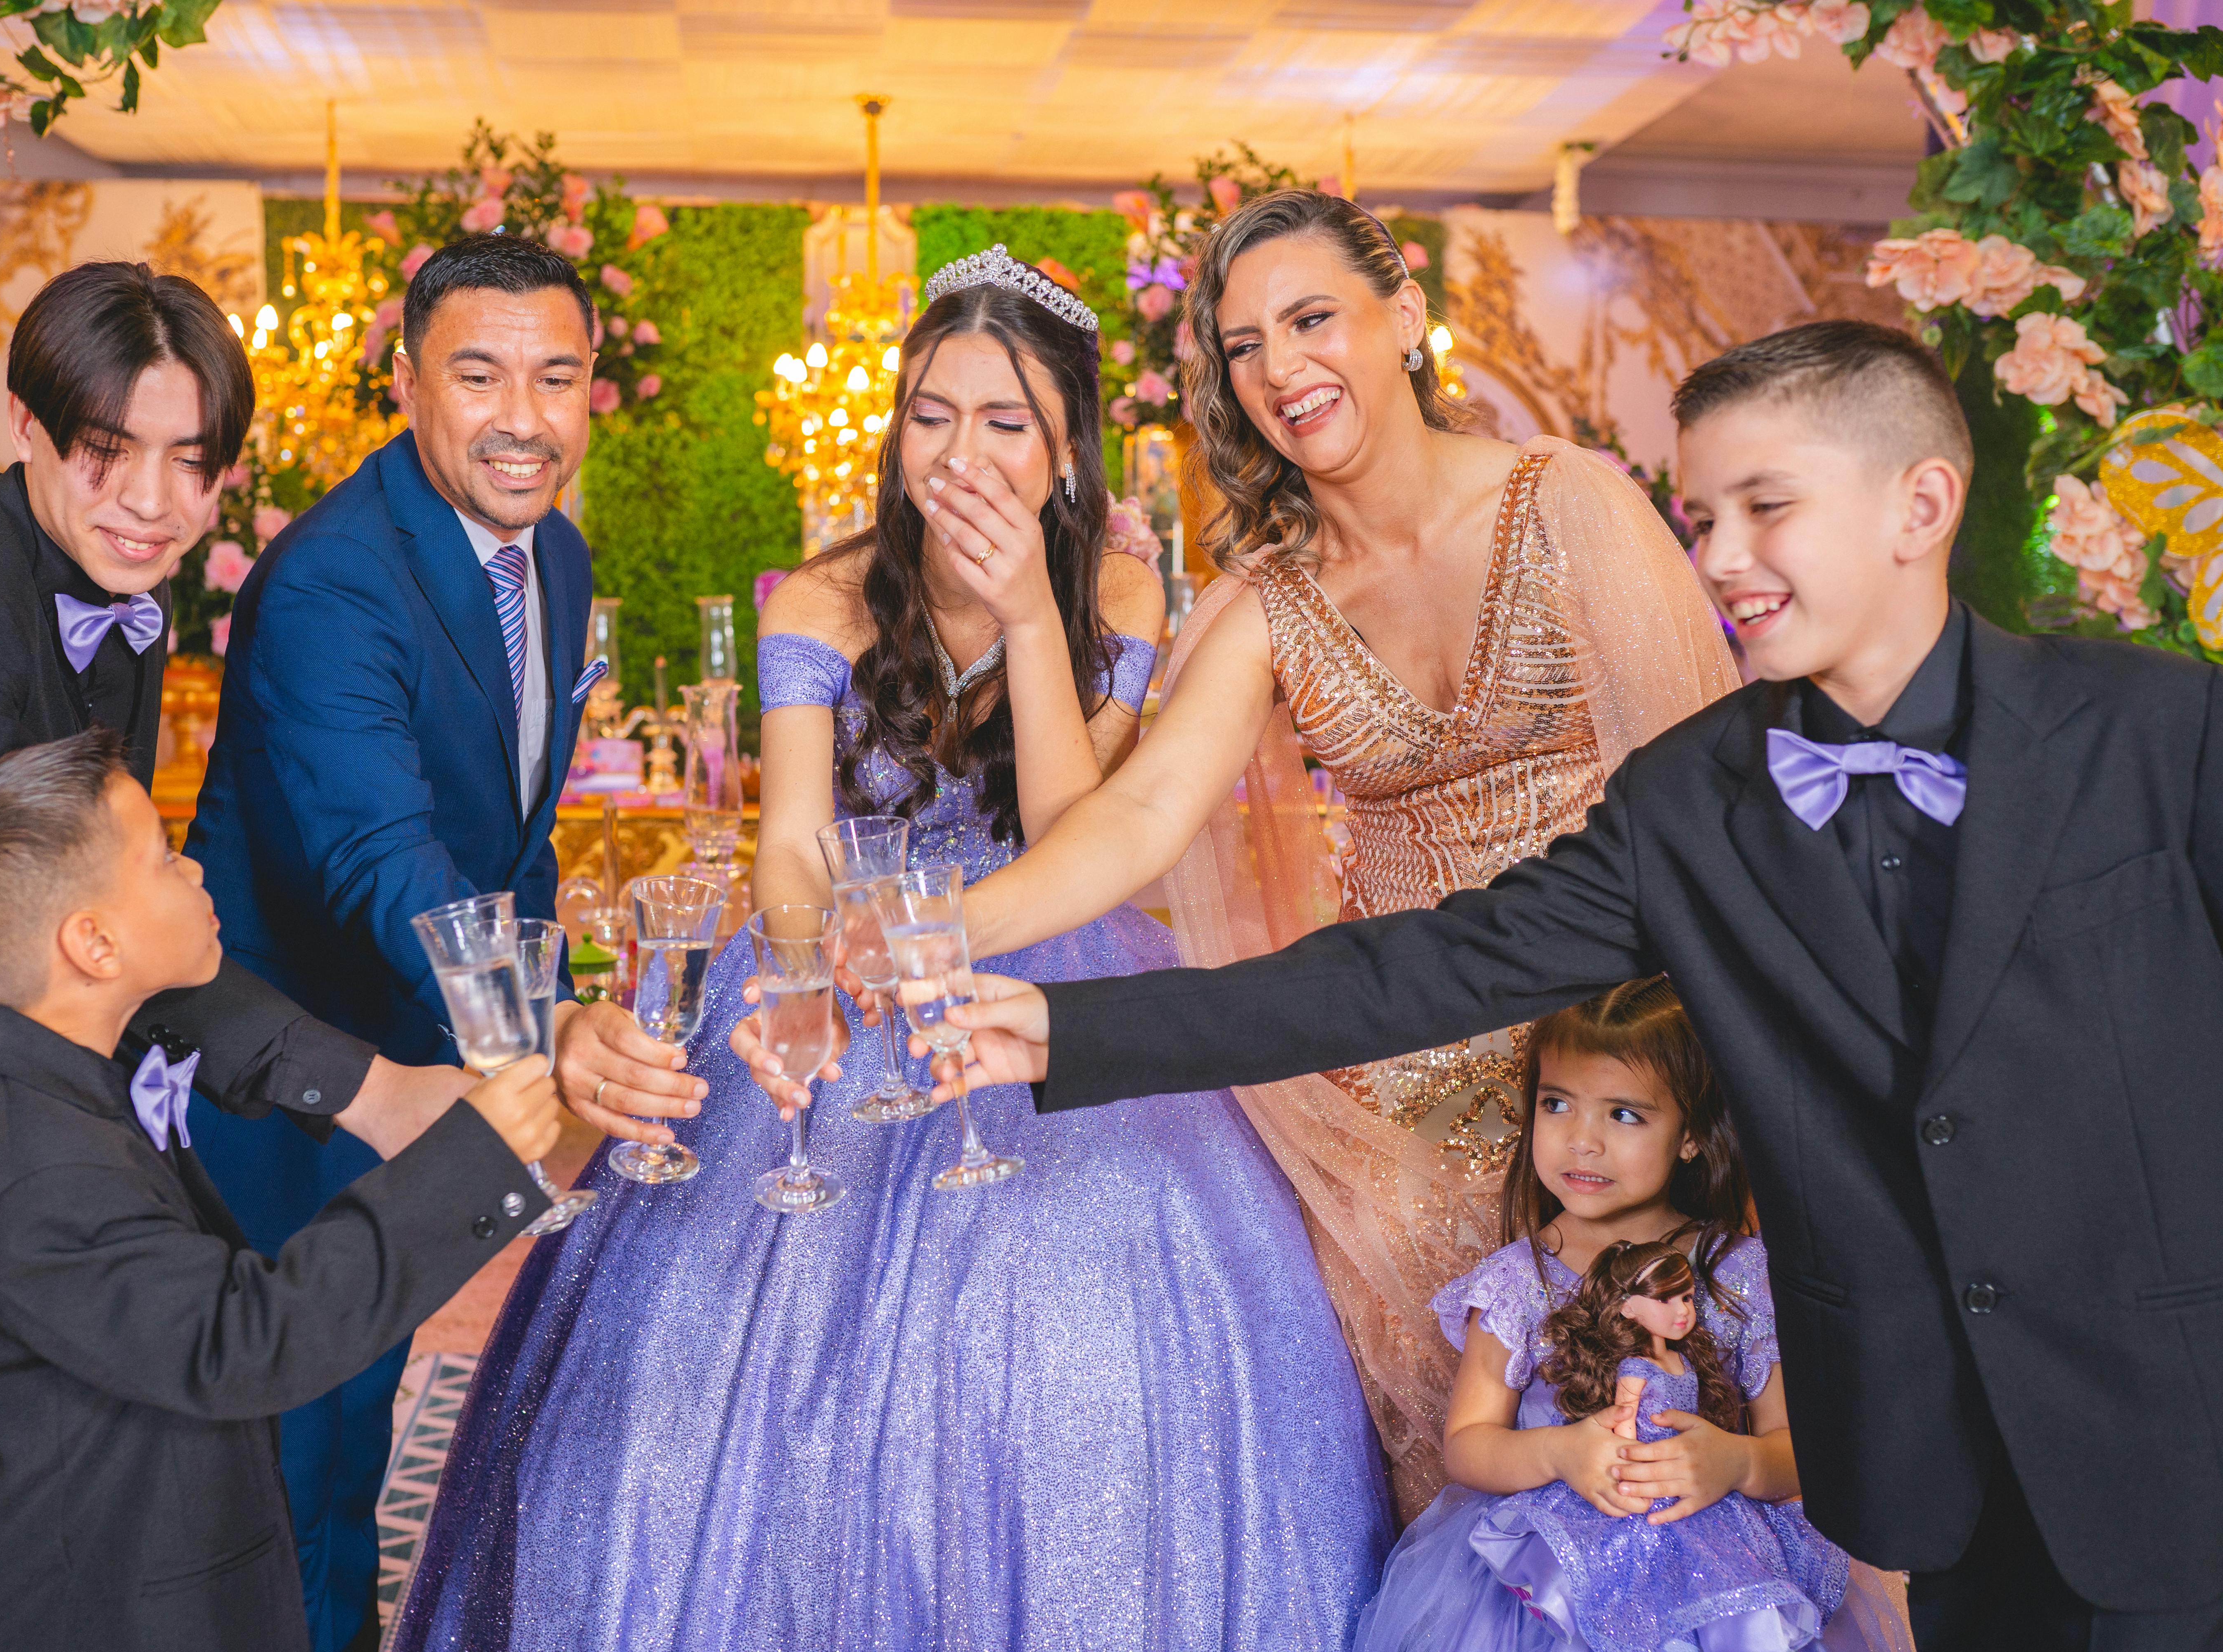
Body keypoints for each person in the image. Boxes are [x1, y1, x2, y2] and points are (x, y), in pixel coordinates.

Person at [939, 318, 2223, 1649]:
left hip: (2173, 1418)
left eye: (1766, 509)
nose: (1721, 559)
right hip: (1914, 1460)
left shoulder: (2160, 732)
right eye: (1702, 515)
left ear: (1923, 504)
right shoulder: (1691, 800)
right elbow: (1419, 968)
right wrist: (1061, 1026)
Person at [391, 249, 1393, 1650]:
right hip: (842, 958)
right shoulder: (822, 597)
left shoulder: (1118, 589)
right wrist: (812, 966)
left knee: (1076, 1315)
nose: (963, 455)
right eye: (933, 415)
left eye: (1006, 423)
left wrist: (1039, 618)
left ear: (1065, 445)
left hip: (1047, 949)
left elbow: (1069, 826)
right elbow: (791, 847)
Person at [935, 188, 1736, 1512]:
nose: (1280, 370)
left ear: (1408, 315)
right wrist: (947, 935)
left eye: (1310, 320)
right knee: (1447, 1481)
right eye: (1242, 347)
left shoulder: (1575, 506)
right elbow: (1128, 822)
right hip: (1398, 1112)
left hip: (1620, 1064)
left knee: (1645, 1468)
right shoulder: (1268, 596)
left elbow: (1716, 823)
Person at [0, 262, 471, 1652]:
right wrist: (365, 1090)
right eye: (109, 450)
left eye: (192, 465)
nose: (153, 501)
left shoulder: (108, 594)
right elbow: (74, 920)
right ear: (27, 429)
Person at [185, 232, 701, 1652]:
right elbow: (383, 860)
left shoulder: (560, 558)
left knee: (365, 1422)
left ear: (595, 389)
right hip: (284, 1077)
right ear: (406, 382)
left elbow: (511, 846)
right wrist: (544, 1031)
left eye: (556, 377)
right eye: (479, 376)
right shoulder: (335, 580)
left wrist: (531, 1030)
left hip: (415, 1066)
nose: (522, 418)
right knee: (285, 1453)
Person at [0, 729, 561, 1651]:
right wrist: (475, 1160)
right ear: (94, 943)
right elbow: (246, 1337)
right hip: (115, 1600)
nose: (195, 870)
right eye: (162, 857)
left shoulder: (31, 1086)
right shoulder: (35, 1164)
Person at [1349, 981, 1908, 1652]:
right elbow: (1469, 1444)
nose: (1581, 1142)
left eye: (1624, 1115)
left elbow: (1801, 1452)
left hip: (1716, 1589)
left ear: (1693, 1135)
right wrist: (1559, 1451)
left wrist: (1736, 1463)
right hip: (1544, 1586)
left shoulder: (1738, 1272)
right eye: (1557, 1105)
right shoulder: (1516, 1281)